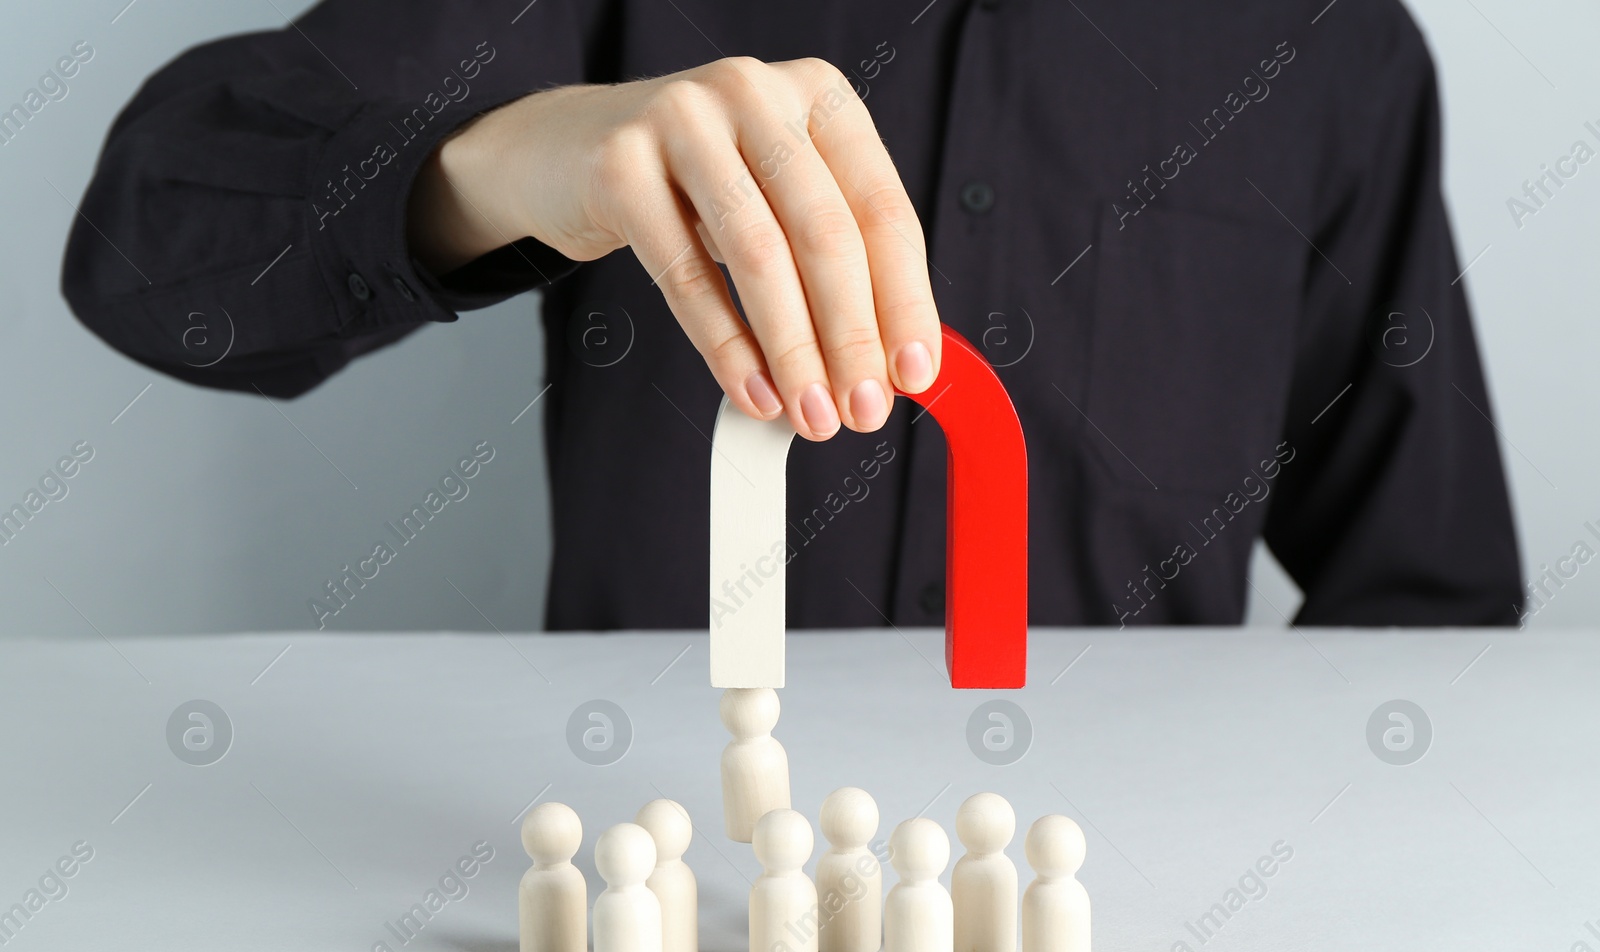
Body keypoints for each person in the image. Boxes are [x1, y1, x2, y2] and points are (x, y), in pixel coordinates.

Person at [62, 0, 1523, 629]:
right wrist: (509, 161)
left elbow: (1429, 594)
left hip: (1094, 931)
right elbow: (149, 256)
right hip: (661, 887)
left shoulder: (1333, 49)